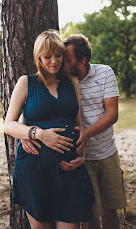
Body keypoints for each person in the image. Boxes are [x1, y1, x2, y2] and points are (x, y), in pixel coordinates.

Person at [22, 33, 127, 229]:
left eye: (64, 57)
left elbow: (112, 114)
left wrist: (84, 136)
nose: (58, 61)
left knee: (110, 208)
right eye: (52, 56)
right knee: (89, 213)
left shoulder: (102, 74)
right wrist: (25, 133)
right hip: (76, 158)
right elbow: (32, 109)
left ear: (82, 60)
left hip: (105, 151)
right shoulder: (58, 80)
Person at [4, 30, 94, 229]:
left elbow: (78, 124)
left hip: (68, 168)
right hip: (35, 169)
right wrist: (39, 134)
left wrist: (82, 156)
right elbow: (8, 124)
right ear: (38, 57)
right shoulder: (26, 82)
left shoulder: (71, 83)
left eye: (58, 55)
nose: (54, 61)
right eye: (47, 56)